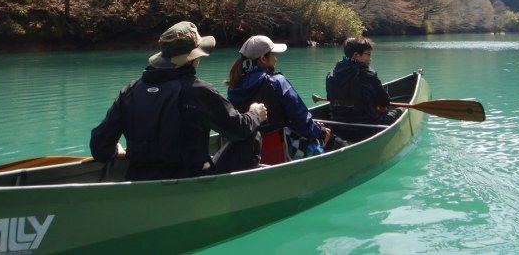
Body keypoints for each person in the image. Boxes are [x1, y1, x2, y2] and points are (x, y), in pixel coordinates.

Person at [90, 21, 268, 181]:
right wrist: (255, 114)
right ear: (193, 57)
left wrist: (114, 151)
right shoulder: (197, 91)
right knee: (252, 136)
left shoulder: (130, 90)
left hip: (139, 179)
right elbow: (238, 130)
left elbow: (99, 146)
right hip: (190, 181)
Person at [227, 35, 338, 161]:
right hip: (278, 147)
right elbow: (300, 119)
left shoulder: (233, 85)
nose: (276, 60)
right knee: (326, 140)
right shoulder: (277, 81)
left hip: (247, 151)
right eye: (274, 56)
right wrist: (321, 132)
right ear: (263, 59)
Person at [326, 37, 402, 126]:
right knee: (401, 110)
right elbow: (384, 102)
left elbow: (330, 98)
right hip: (367, 125)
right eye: (368, 54)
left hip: (336, 123)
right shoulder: (368, 74)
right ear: (356, 55)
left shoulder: (331, 74)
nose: (370, 59)